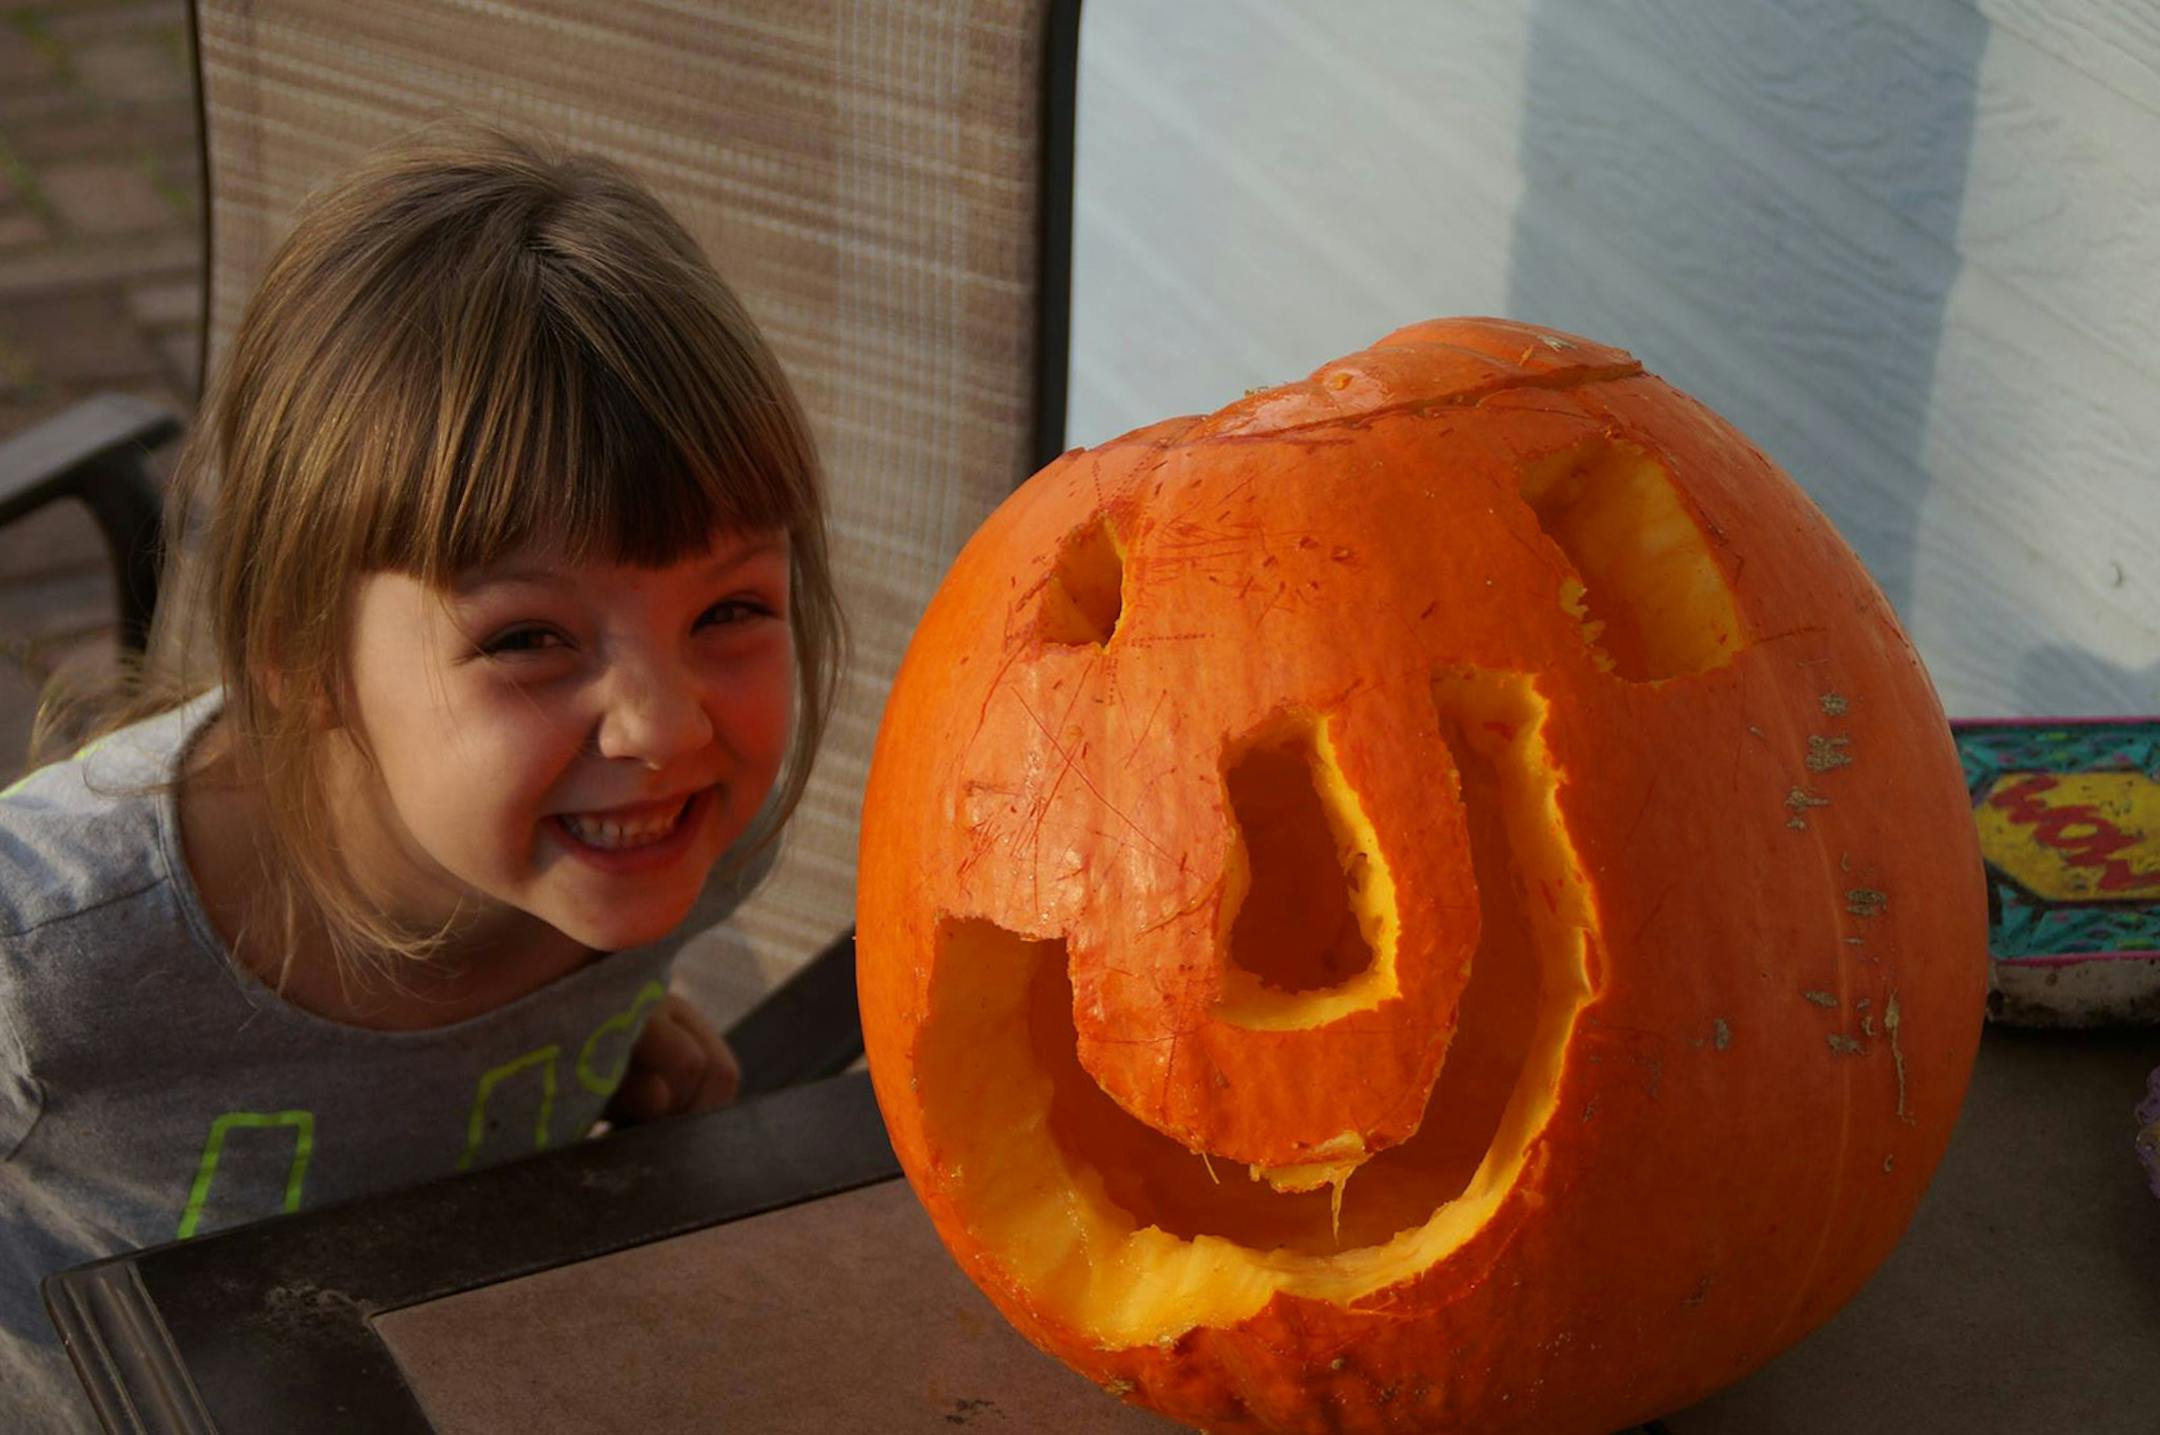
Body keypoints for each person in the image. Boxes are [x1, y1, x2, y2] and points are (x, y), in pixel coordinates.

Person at [0, 122, 844, 1431]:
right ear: (301, 652)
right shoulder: (47, 958)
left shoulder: (693, 839)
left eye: (729, 611)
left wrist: (613, 1045)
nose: (666, 727)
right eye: (528, 639)